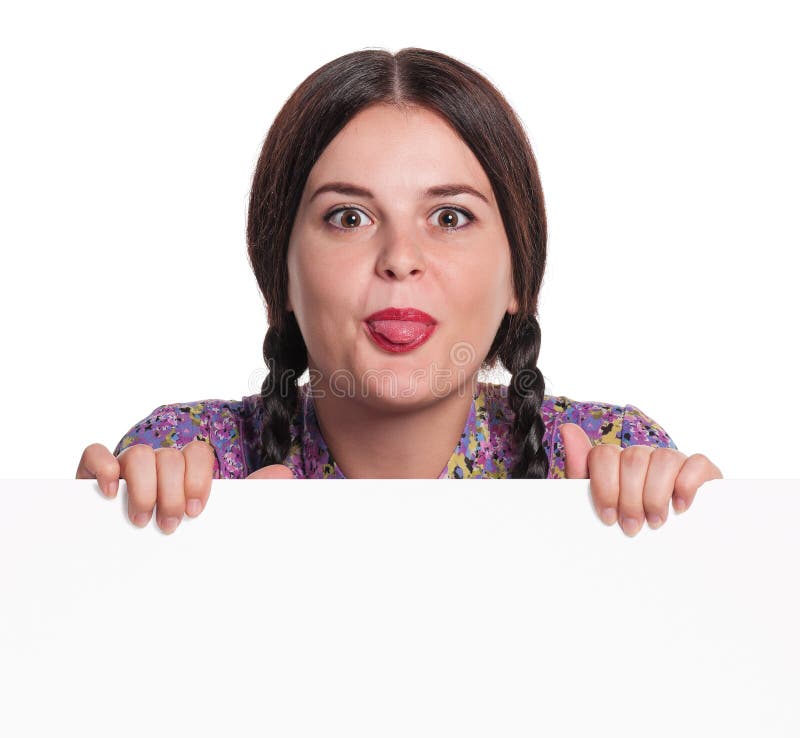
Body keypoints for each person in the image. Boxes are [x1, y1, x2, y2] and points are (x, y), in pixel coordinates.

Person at [75, 47, 722, 537]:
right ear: (282, 276)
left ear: (520, 277)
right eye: (348, 218)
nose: (400, 260)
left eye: (449, 217)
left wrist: (712, 544)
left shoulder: (616, 456)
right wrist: (96, 541)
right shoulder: (188, 462)